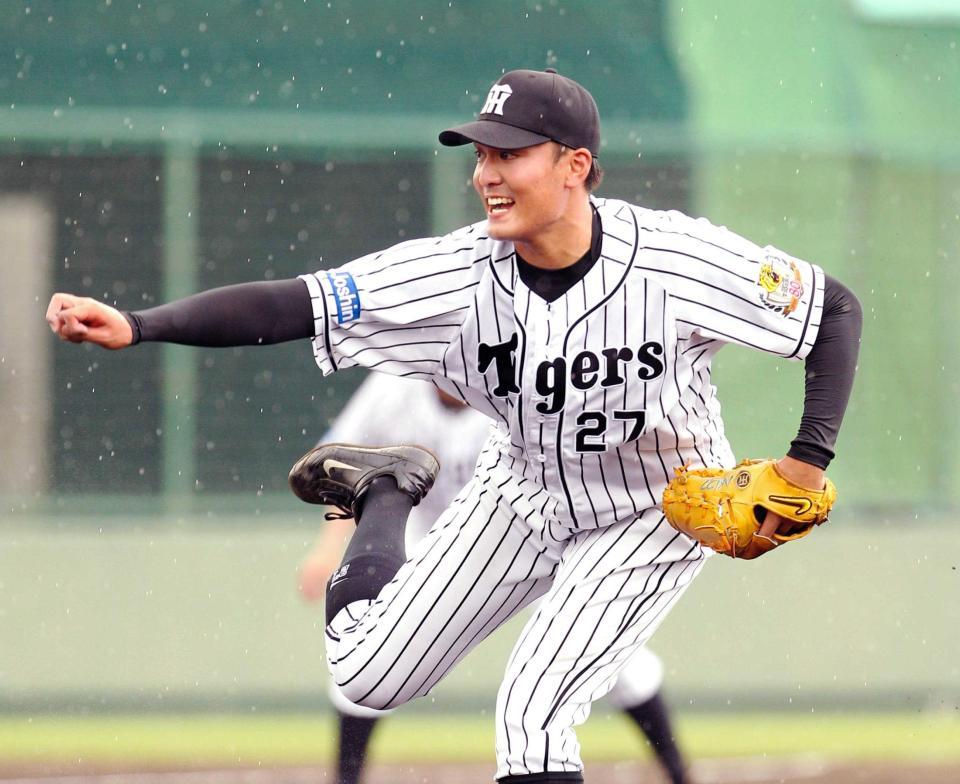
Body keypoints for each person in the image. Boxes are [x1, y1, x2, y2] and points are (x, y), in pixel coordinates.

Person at [46, 68, 862, 784]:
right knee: (365, 676)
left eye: (510, 153)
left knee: (533, 713)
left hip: (656, 508)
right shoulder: (454, 274)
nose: (486, 175)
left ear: (575, 167)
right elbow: (295, 302)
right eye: (481, 155)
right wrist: (142, 324)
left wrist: (806, 462)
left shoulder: (674, 259)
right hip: (525, 490)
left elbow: (832, 311)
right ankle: (385, 489)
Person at [298, 373, 692, 784]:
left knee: (617, 663)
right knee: (367, 656)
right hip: (427, 532)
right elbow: (343, 459)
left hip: (530, 528)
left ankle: (680, 775)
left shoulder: (523, 372)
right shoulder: (395, 381)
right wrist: (328, 546)